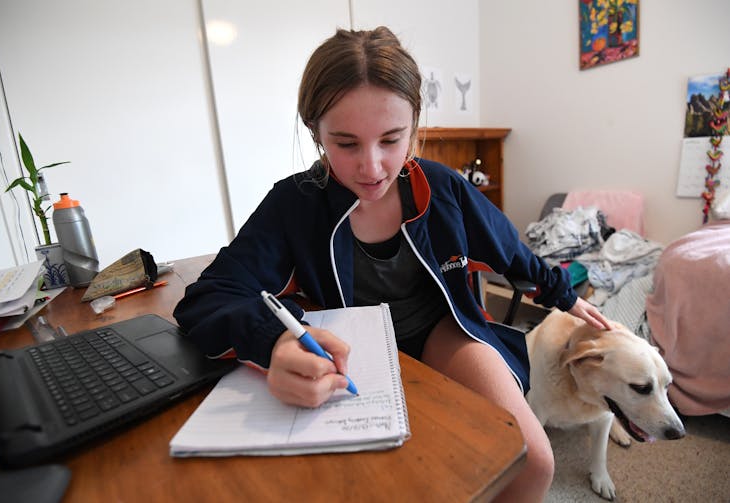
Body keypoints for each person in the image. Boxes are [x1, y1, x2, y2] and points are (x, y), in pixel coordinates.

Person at [174, 26, 610, 503]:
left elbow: (511, 250)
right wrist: (273, 339)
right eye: (346, 144)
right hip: (347, 349)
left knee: (532, 460)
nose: (372, 167)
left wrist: (564, 296)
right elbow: (209, 297)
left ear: (415, 125)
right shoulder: (292, 206)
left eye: (390, 139)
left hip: (442, 332)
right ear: (315, 133)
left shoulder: (444, 189)